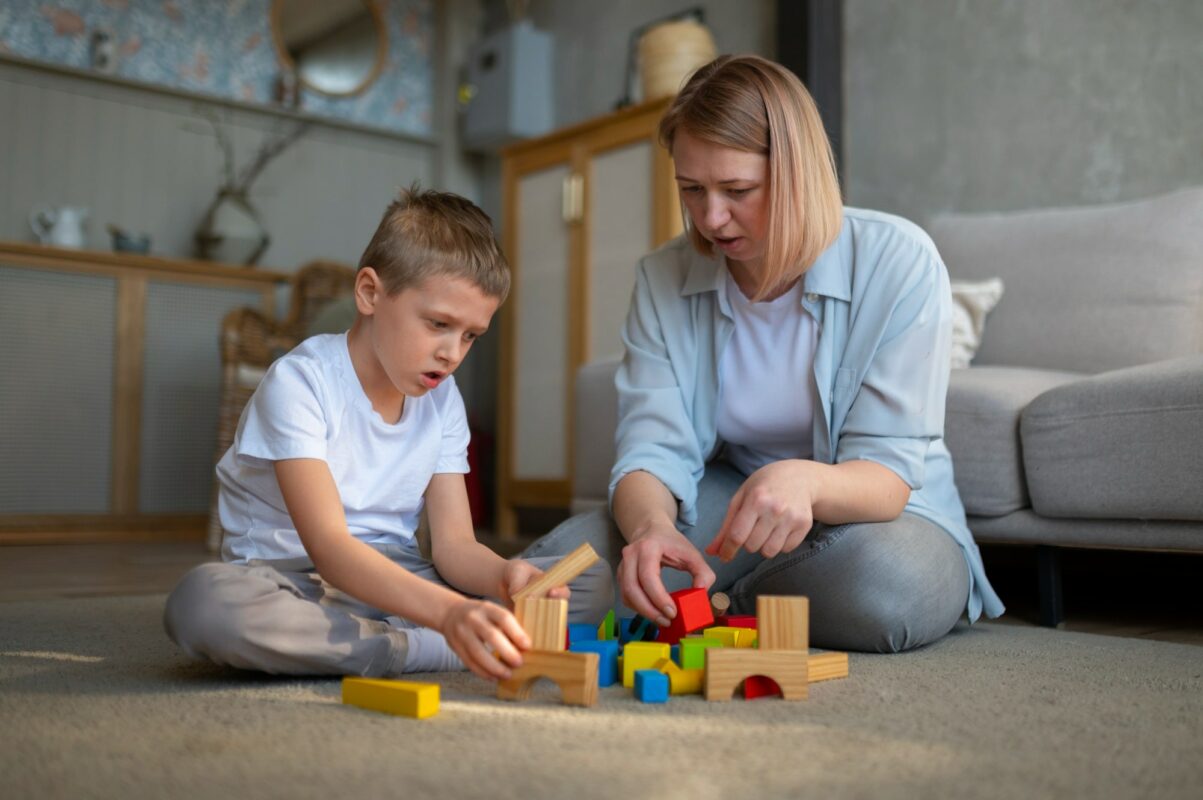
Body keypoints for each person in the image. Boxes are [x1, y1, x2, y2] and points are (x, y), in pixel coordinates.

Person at [522, 55, 1004, 653]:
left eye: (737, 190)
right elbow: (652, 448)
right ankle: (728, 599)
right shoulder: (663, 276)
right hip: (736, 500)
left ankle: (720, 604)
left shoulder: (900, 260)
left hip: (884, 517)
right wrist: (651, 530)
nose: (711, 217)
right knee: (558, 576)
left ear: (797, 173)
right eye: (691, 190)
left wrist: (802, 481)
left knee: (885, 591)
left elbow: (886, 476)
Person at [165, 187, 612, 680]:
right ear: (370, 293)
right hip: (294, 578)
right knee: (203, 604)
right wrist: (446, 613)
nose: (452, 353)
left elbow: (455, 547)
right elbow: (331, 551)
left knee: (587, 579)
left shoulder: (443, 399)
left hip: (399, 580)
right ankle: (430, 648)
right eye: (438, 324)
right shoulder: (300, 383)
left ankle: (429, 636)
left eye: (470, 335)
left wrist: (506, 576)